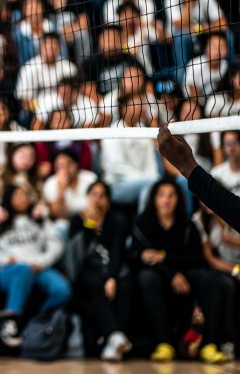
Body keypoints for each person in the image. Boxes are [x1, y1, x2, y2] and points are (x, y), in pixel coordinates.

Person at [131, 177, 231, 364]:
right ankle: (164, 344)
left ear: (179, 199)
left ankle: (209, 345)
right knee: (147, 277)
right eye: (161, 195)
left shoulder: (186, 224)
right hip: (160, 276)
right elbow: (140, 259)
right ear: (154, 199)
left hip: (186, 273)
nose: (166, 200)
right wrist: (172, 274)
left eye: (171, 195)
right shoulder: (142, 223)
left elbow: (195, 258)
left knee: (212, 280)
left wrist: (164, 256)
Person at [0, 184, 70, 348]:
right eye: (17, 195)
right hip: (10, 270)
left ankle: (35, 321)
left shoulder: (39, 219)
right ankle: (10, 320)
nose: (22, 199)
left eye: (24, 195)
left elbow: (56, 244)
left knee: (62, 291)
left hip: (38, 267)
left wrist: (41, 262)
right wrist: (4, 259)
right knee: (23, 270)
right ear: (8, 198)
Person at [66, 181, 131, 361]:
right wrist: (89, 224)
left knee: (124, 283)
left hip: (111, 268)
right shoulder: (77, 220)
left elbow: (118, 251)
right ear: (87, 197)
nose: (97, 199)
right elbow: (77, 255)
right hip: (87, 270)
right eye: (93, 194)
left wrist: (111, 277)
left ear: (108, 200)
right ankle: (115, 335)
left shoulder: (117, 220)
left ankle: (114, 341)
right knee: (92, 281)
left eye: (102, 195)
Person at [159, 126, 240, 242]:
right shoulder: (217, 172)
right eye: (227, 144)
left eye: (235, 143)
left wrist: (187, 166)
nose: (231, 148)